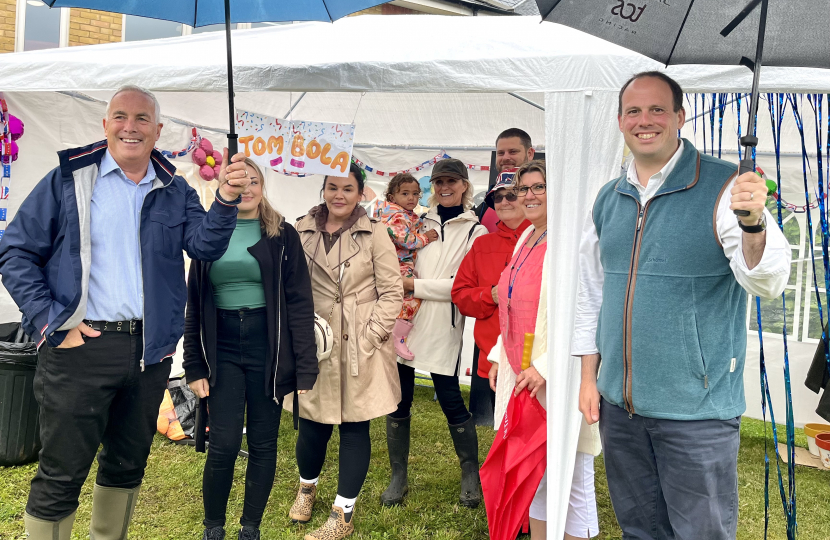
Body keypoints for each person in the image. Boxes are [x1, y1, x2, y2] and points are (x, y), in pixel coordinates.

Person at [0, 85, 250, 540]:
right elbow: (15, 252)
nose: (129, 127)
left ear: (157, 131)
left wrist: (227, 199)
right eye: (120, 116)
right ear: (106, 124)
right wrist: (52, 322)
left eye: (141, 120)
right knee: (61, 473)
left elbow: (205, 244)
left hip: (148, 353)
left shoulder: (175, 190)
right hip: (79, 349)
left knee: (126, 465)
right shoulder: (69, 179)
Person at [573, 71, 791, 539]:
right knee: (640, 530)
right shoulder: (609, 199)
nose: (644, 120)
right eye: (634, 110)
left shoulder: (726, 188)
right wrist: (590, 378)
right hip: (620, 406)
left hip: (698, 411)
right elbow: (591, 294)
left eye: (657, 110)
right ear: (620, 121)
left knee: (700, 533)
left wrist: (753, 224)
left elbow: (766, 280)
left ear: (680, 117)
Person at [183, 158, 319, 540]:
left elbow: (299, 303)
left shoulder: (282, 235)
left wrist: (305, 367)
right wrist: (193, 365)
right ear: (224, 185)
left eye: (253, 181)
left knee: (263, 442)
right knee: (223, 444)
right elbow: (194, 302)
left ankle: (250, 529)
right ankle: (213, 527)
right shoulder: (208, 233)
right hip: (222, 345)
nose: (246, 188)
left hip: (268, 349)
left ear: (263, 186)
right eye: (237, 181)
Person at [288, 162, 403, 540]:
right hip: (314, 342)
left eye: (348, 188)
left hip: (360, 344)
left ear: (360, 192)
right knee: (311, 424)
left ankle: (343, 512)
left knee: (356, 425)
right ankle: (307, 487)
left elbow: (392, 291)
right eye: (332, 187)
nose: (339, 195)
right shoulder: (300, 229)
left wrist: (372, 335)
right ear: (323, 189)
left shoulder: (376, 234)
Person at [488, 161, 600, 540]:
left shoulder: (569, 242)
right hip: (522, 369)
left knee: (571, 470)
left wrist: (546, 366)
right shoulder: (527, 237)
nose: (529, 195)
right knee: (534, 468)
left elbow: (580, 311)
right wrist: (496, 355)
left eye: (539, 187)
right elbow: (511, 302)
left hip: (559, 374)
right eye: (524, 189)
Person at [381, 158, 487, 508]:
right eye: (439, 181)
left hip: (443, 323)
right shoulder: (414, 219)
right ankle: (399, 475)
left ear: (464, 185)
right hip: (404, 321)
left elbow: (462, 285)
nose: (445, 187)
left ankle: (470, 473)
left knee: (451, 398)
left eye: (452, 181)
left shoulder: (475, 231)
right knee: (400, 399)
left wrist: (413, 284)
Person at [452, 170, 530, 409]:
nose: (505, 201)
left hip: (535, 362)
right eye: (498, 197)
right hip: (494, 361)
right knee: (504, 436)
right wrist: (490, 295)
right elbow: (460, 295)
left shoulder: (548, 242)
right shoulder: (483, 244)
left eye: (512, 195)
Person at [376, 172, 440, 360]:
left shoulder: (402, 213)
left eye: (415, 194)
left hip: (396, 263)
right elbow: (404, 240)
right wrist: (425, 238)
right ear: (392, 197)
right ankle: (397, 336)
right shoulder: (396, 215)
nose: (411, 198)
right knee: (410, 297)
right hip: (397, 264)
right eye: (405, 194)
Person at [478, 128, 536, 233]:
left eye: (513, 151)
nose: (505, 157)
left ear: (530, 153)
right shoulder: (487, 202)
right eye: (500, 153)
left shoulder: (547, 200)